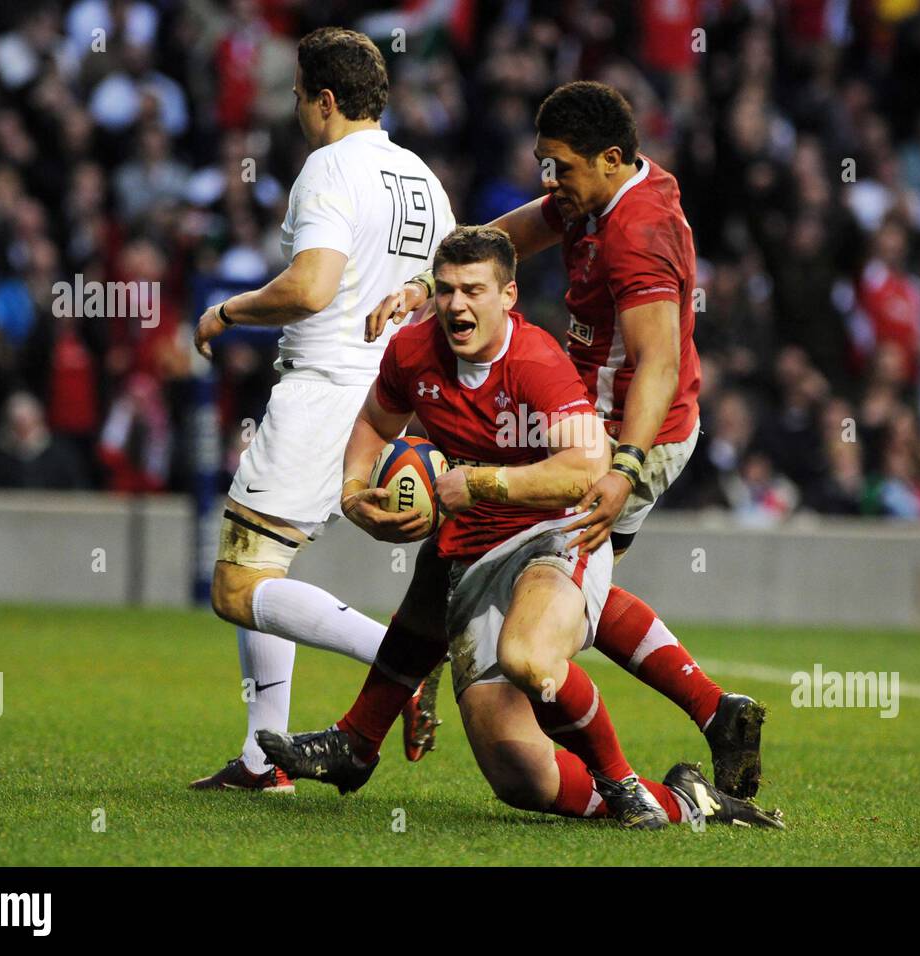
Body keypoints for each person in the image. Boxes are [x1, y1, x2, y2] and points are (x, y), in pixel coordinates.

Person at [258, 227, 782, 830]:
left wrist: (479, 483)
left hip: (555, 536)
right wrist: (353, 494)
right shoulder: (412, 351)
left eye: (474, 290)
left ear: (508, 295)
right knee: (519, 776)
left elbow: (587, 467)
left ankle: (623, 780)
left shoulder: (537, 364)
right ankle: (689, 801)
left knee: (530, 657)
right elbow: (375, 423)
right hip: (472, 556)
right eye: (448, 290)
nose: (458, 304)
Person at [365, 82, 767, 798]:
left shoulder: (637, 236)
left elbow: (660, 366)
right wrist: (430, 286)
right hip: (587, 416)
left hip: (627, 431)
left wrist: (624, 468)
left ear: (611, 159)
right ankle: (715, 710)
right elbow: (509, 237)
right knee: (566, 573)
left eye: (562, 167)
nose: (551, 181)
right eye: (544, 164)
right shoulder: (597, 190)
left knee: (545, 568)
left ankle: (627, 781)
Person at [187, 27, 455, 792]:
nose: (297, 108)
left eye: (300, 94)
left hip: (325, 388)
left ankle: (396, 656)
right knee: (264, 568)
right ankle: (259, 760)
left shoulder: (328, 167)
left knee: (235, 586)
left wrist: (229, 311)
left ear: (325, 99)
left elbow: (311, 286)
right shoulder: (422, 178)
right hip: (389, 402)